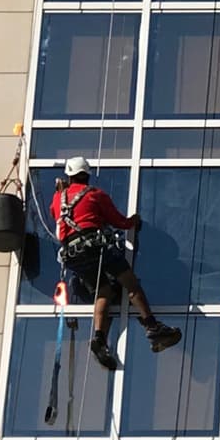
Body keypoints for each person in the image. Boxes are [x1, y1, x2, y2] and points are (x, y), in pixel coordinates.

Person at [55, 157, 181, 370]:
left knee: (104, 290)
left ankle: (99, 338)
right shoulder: (95, 195)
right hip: (94, 247)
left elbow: (57, 219)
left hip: (73, 256)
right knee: (131, 284)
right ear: (87, 174)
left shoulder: (58, 198)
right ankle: (152, 327)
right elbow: (119, 221)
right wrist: (134, 221)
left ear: (69, 175)